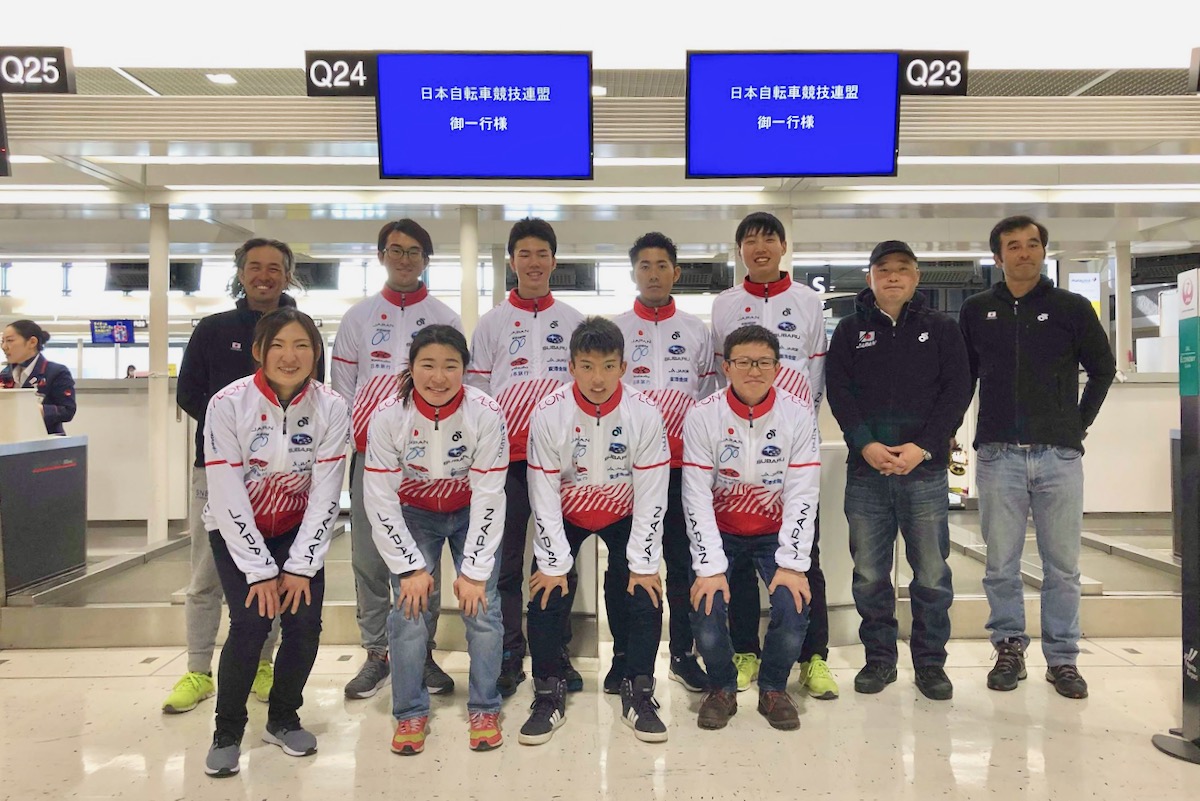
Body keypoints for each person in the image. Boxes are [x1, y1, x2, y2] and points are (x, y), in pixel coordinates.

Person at [959, 215, 1116, 700]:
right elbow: (963, 379)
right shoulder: (976, 309)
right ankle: (1008, 647)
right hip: (999, 455)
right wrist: (947, 433)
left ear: (1043, 251)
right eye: (1014, 246)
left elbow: (1103, 368)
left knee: (1063, 566)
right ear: (997, 257)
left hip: (1058, 458)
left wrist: (1077, 424)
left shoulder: (1071, 307)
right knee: (1000, 563)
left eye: (1032, 244)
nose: (1024, 253)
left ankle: (1063, 659)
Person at [164, 238, 320, 715]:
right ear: (241, 272)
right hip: (218, 473)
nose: (264, 276)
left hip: (284, 480)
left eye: (275, 268)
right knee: (206, 576)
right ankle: (197, 669)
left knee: (272, 572)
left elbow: (314, 394)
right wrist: (233, 436)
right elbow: (190, 391)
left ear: (288, 274)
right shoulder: (213, 329)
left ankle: (262, 663)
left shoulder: (304, 329)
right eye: (255, 267)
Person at [201, 308, 350, 777]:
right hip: (235, 531)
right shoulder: (227, 403)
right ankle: (227, 729)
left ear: (316, 353)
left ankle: (283, 718)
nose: (291, 356)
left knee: (304, 625)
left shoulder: (332, 406)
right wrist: (260, 570)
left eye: (302, 345)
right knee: (251, 622)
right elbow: (225, 491)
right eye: (279, 345)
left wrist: (302, 564)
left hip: (296, 529)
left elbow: (328, 489)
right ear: (259, 352)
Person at [825, 240, 972, 701]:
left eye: (902, 270)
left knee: (930, 573)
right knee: (869, 573)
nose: (892, 277)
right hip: (867, 473)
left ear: (916, 278)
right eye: (883, 269)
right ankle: (879, 661)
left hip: (923, 473)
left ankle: (930, 665)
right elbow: (839, 392)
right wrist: (864, 443)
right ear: (869, 277)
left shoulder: (942, 329)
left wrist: (924, 447)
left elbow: (957, 391)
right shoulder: (850, 331)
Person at [518, 317, 670, 745]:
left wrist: (643, 562)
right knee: (547, 591)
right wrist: (552, 562)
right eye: (586, 366)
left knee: (641, 590)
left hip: (625, 510)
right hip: (567, 511)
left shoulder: (644, 412)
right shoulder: (549, 413)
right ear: (571, 366)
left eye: (607, 366)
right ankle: (548, 689)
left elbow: (653, 491)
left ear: (624, 367)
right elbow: (542, 490)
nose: (597, 378)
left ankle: (637, 686)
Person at [332, 219, 463, 700]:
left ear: (426, 258)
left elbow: (457, 387)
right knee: (368, 558)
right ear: (382, 255)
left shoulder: (444, 316)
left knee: (421, 560)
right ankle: (376, 654)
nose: (404, 258)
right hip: (371, 459)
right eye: (395, 250)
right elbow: (342, 393)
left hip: (430, 462)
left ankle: (421, 651)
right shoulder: (358, 318)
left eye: (414, 251)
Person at [364, 325, 509, 755]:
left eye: (451, 366)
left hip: (470, 513)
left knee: (482, 607)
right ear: (411, 367)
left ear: (465, 369)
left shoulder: (485, 412)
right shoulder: (389, 415)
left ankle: (485, 707)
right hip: (415, 515)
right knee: (409, 611)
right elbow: (379, 496)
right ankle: (409, 713)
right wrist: (409, 567)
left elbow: (489, 492)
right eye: (428, 365)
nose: (439, 377)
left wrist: (475, 570)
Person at [709, 211, 836, 700]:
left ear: (784, 246)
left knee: (806, 555)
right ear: (739, 249)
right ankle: (745, 651)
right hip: (736, 452)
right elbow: (722, 378)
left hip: (792, 450)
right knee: (738, 559)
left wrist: (799, 422)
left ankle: (813, 657)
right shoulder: (725, 305)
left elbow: (816, 373)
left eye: (769, 239)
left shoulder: (807, 301)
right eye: (750, 240)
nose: (760, 247)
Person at [466, 217, 585, 697]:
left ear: (554, 261)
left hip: (565, 464)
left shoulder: (574, 321)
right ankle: (510, 653)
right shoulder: (493, 322)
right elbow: (475, 390)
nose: (533, 262)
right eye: (524, 254)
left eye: (542, 254)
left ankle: (555, 653)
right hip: (509, 462)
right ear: (512, 261)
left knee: (560, 558)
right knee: (507, 561)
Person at [682, 325, 821, 731]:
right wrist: (708, 565)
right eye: (743, 362)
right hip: (721, 531)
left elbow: (803, 490)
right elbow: (695, 494)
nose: (753, 371)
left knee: (793, 606)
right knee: (705, 605)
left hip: (775, 534)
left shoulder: (798, 414)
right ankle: (721, 686)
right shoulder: (703, 414)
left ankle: (774, 688)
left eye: (763, 362)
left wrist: (793, 563)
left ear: (778, 368)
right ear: (727, 367)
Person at [612, 232, 715, 693]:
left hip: (681, 470)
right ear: (633, 272)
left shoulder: (697, 331)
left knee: (681, 563)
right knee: (626, 566)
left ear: (676, 272)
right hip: (624, 474)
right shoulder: (615, 330)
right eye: (644, 266)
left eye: (661, 266)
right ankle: (623, 658)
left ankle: (682, 655)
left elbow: (711, 399)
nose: (653, 274)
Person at [1, 319, 76, 435]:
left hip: (44, 442)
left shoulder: (56, 372)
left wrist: (35, 409)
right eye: (2, 341)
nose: (4, 347)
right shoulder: (4, 374)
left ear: (32, 342)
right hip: (9, 439)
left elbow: (67, 410)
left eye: (10, 341)